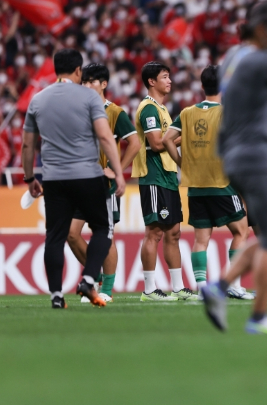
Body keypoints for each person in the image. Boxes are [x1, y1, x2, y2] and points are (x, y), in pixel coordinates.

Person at [201, 0, 267, 334]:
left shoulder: (233, 56)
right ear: (264, 31)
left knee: (263, 234)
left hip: (233, 152)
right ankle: (259, 317)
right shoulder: (262, 59)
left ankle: (218, 287)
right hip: (256, 152)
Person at [21, 48, 125, 308]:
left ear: (56, 69)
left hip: (54, 178)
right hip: (87, 175)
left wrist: (29, 178)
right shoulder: (89, 98)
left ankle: (56, 295)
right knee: (102, 228)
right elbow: (104, 136)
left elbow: (27, 145)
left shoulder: (38, 99)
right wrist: (119, 173)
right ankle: (89, 279)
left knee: (55, 236)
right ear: (79, 71)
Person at [162, 65, 248, 294]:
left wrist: (182, 163)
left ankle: (201, 288)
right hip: (221, 182)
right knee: (241, 231)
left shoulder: (188, 112)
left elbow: (167, 139)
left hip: (195, 185)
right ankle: (233, 285)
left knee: (201, 239)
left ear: (202, 86)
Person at [67, 63, 140, 304]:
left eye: (91, 82)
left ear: (104, 84)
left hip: (102, 185)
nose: (86, 85)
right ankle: (94, 275)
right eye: (84, 81)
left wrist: (116, 169)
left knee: (104, 235)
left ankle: (106, 288)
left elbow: (135, 143)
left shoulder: (114, 112)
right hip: (79, 181)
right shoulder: (78, 110)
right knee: (71, 234)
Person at [133, 61, 197, 301]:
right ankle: (149, 290)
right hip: (153, 177)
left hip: (168, 177)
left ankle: (178, 288)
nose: (170, 81)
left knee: (173, 233)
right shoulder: (148, 108)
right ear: (152, 81)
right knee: (154, 233)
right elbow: (157, 143)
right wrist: (183, 137)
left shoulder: (161, 109)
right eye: (165, 76)